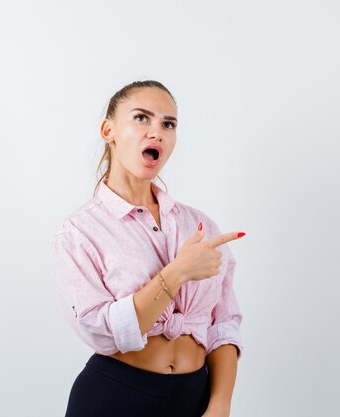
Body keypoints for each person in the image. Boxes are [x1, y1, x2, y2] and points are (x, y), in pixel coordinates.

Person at [51, 80, 245, 417]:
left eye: (168, 124)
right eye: (142, 118)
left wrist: (220, 405)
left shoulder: (199, 227)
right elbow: (104, 332)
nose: (156, 132)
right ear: (108, 130)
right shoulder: (79, 232)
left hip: (195, 398)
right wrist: (178, 272)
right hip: (114, 398)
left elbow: (223, 325)